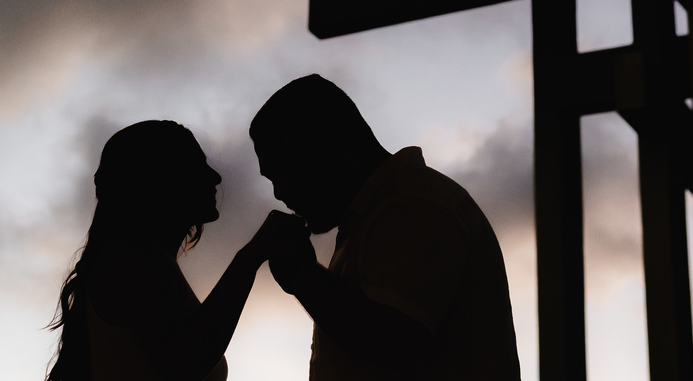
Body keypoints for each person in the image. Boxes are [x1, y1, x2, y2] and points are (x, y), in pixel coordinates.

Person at [250, 74, 521, 381]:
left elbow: (392, 338)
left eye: (288, 167)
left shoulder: (415, 204)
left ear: (340, 142)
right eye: (272, 177)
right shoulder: (378, 214)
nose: (279, 191)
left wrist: (301, 274)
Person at [47, 120, 292, 381]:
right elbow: (183, 362)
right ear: (162, 178)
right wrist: (251, 256)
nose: (215, 177)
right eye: (198, 165)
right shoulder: (132, 259)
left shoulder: (141, 261)